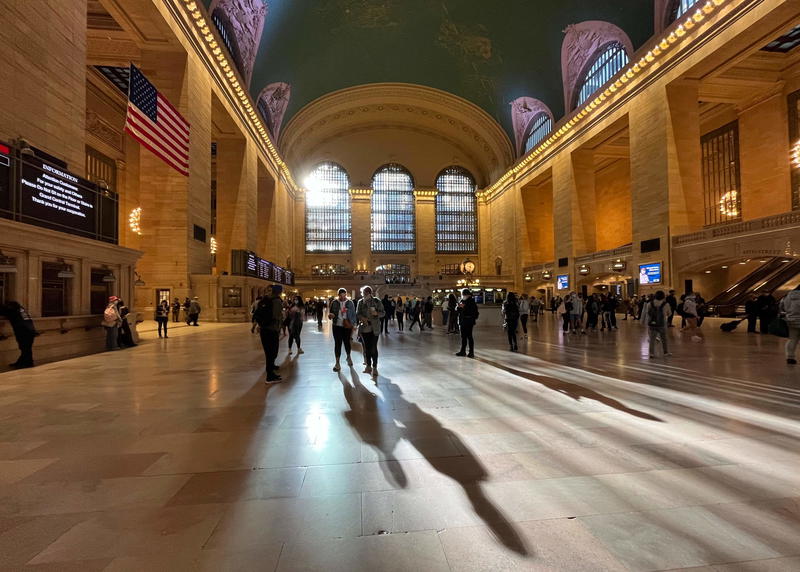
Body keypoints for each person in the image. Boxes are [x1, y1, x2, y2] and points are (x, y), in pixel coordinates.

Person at [254, 285, 284, 382]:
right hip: (272, 329)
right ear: (279, 291)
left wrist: (259, 325)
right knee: (272, 352)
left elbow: (257, 314)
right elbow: (276, 316)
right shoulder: (276, 301)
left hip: (264, 328)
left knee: (269, 351)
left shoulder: (264, 300)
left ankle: (271, 367)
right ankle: (270, 376)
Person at [356, 285, 384, 378]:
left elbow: (383, 312)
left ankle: (375, 367)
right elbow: (358, 313)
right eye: (363, 293)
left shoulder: (376, 301)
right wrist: (362, 318)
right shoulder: (360, 302)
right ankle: (368, 366)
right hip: (365, 328)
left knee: (373, 348)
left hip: (375, 328)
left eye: (365, 293)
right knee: (367, 348)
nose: (364, 294)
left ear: (369, 293)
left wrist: (377, 313)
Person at [0, 301, 38, 368]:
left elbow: (2, 311)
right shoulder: (21, 309)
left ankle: (26, 363)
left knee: (25, 348)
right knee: (26, 348)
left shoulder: (12, 310)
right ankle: (22, 362)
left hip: (23, 331)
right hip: (30, 331)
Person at [329, 288, 356, 371]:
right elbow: (331, 313)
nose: (343, 297)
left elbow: (353, 315)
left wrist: (353, 325)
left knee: (347, 342)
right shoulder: (334, 303)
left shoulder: (350, 303)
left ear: (346, 294)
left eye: (344, 295)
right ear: (338, 295)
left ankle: (348, 356)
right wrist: (331, 316)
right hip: (337, 326)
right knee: (338, 344)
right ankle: (337, 363)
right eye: (341, 295)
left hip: (346, 326)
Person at [779, 285, 800, 365]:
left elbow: (783, 307)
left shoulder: (788, 295)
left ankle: (790, 357)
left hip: (791, 320)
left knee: (792, 339)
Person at [647, 290, 671, 358]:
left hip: (652, 324)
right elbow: (669, 314)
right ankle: (665, 352)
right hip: (662, 324)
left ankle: (651, 353)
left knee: (652, 339)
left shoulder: (650, 303)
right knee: (664, 339)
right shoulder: (666, 304)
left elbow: (648, 313)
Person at [455, 288, 479, 357]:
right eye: (463, 295)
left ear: (468, 295)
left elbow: (474, 312)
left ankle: (471, 352)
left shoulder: (471, 302)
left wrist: (464, 308)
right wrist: (458, 307)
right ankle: (463, 351)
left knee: (469, 336)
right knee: (463, 337)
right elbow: (458, 310)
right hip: (463, 321)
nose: (463, 296)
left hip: (469, 321)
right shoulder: (462, 300)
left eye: (465, 295)